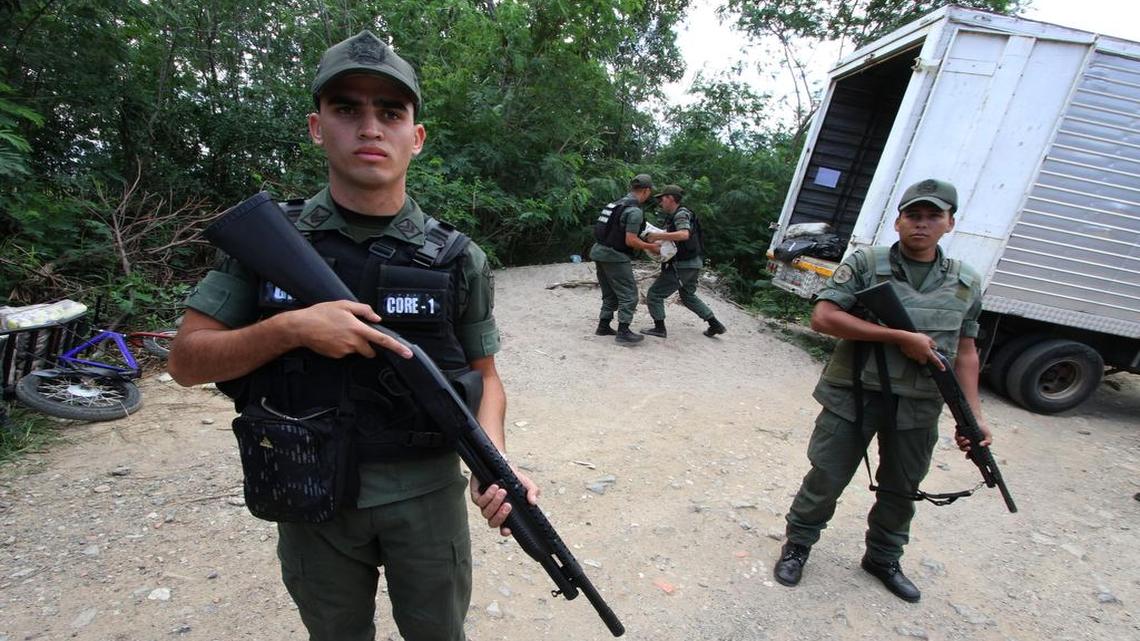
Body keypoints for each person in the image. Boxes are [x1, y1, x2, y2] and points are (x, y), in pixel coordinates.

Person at [167, 30, 539, 641]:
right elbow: (186, 361)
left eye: (390, 113)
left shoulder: (457, 258)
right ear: (318, 127)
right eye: (347, 109)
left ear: (416, 137)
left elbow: (486, 379)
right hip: (307, 484)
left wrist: (492, 463)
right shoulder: (267, 242)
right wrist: (292, 328)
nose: (370, 128)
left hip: (426, 493)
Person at [772, 178, 989, 603]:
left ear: (950, 223)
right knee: (827, 476)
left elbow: (966, 352)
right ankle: (798, 545)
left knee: (902, 486)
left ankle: (883, 558)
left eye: (933, 217)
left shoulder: (965, 281)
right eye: (913, 215)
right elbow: (824, 318)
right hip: (854, 392)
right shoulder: (866, 263)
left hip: (919, 402)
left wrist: (974, 417)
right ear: (898, 222)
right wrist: (898, 337)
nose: (922, 224)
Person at [639, 184, 726, 338]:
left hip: (683, 265)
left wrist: (657, 236)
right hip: (693, 263)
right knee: (688, 296)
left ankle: (659, 329)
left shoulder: (680, 214)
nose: (660, 202)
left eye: (662, 199)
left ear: (670, 198)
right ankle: (715, 325)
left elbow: (683, 235)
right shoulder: (679, 214)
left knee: (655, 294)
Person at [588, 173, 661, 345]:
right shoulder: (634, 211)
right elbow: (631, 240)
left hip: (599, 251)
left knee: (610, 293)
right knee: (629, 295)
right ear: (646, 190)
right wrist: (651, 247)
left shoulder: (615, 205)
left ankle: (603, 326)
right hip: (615, 256)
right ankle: (623, 332)